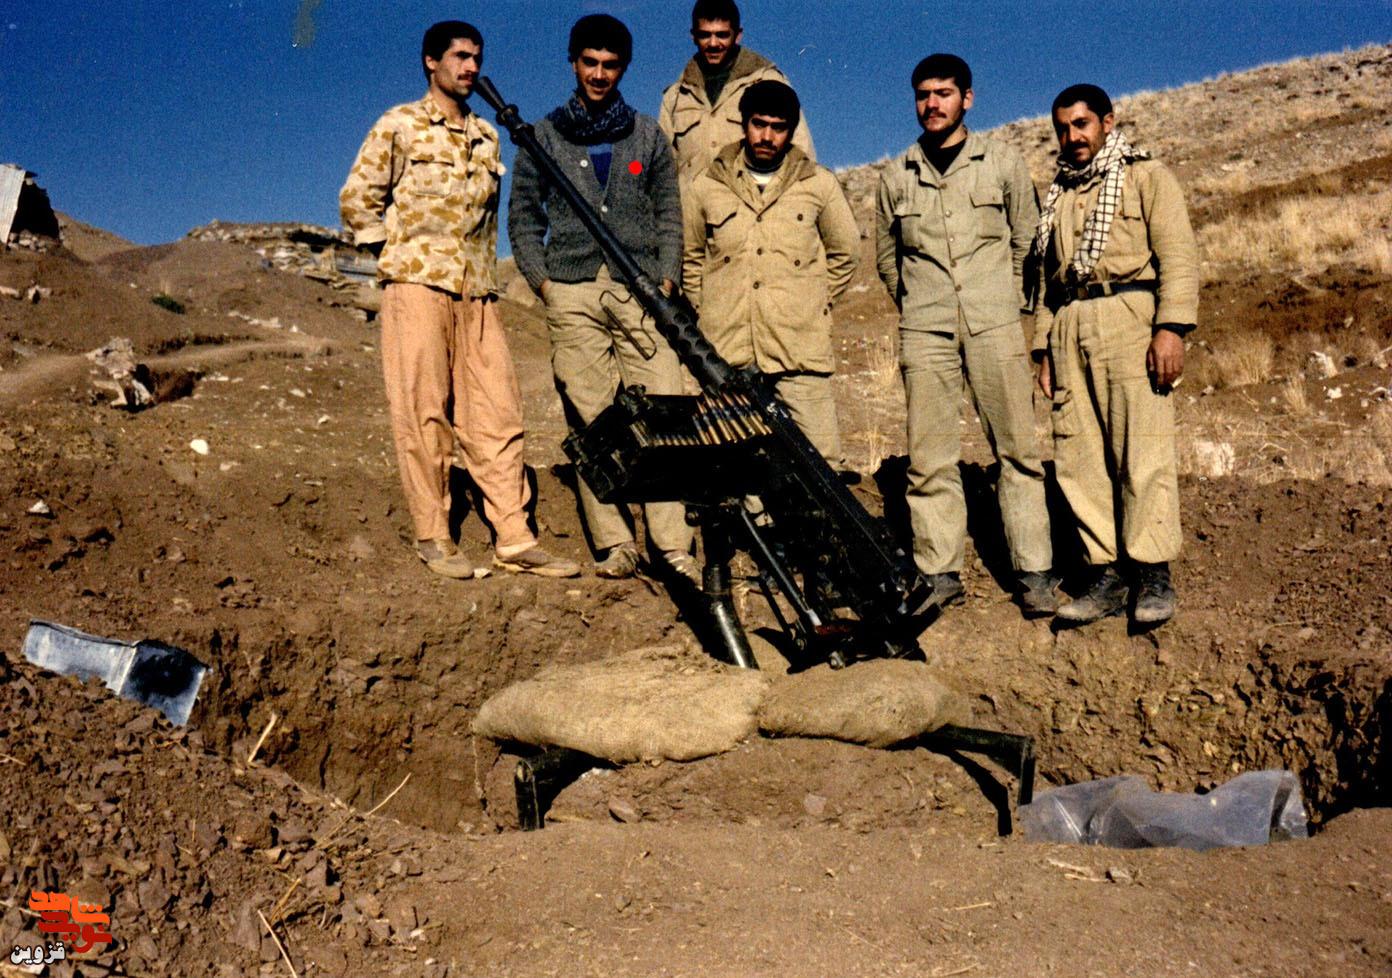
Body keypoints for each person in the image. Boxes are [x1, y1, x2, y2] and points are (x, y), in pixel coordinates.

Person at [339, 20, 579, 579]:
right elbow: (358, 199)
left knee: (498, 412)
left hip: (478, 292)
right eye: (460, 57)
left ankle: (514, 539)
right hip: (417, 286)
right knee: (423, 412)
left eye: (477, 57)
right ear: (432, 61)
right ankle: (434, 534)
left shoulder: (486, 136)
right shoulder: (400, 124)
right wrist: (394, 258)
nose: (471, 67)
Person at [507, 14, 697, 582]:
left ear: (624, 68)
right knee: (592, 418)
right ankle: (616, 543)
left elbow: (669, 212)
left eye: (609, 65)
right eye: (589, 62)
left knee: (664, 409)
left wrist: (666, 279)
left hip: (641, 291)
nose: (598, 74)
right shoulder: (542, 136)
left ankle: (673, 547)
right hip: (572, 290)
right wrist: (546, 284)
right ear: (573, 63)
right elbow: (523, 218)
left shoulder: (646, 135)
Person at [875, 53, 1058, 616]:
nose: (932, 104)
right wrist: (923, 305)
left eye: (944, 93)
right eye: (923, 94)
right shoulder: (896, 176)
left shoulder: (1000, 162)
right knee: (929, 456)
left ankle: (1034, 572)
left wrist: (1003, 302)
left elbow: (1028, 243)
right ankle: (939, 571)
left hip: (994, 325)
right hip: (925, 330)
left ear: (967, 99)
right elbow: (888, 261)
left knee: (1017, 449)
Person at [1031, 84, 1199, 626]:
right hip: (1070, 324)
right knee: (1078, 453)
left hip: (1130, 316)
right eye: (1063, 128)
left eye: (1081, 124)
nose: (1072, 136)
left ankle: (1152, 572)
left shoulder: (1146, 177)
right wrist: (1044, 347)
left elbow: (1178, 256)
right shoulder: (1058, 195)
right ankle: (1104, 572)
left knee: (1141, 447)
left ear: (1107, 121)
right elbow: (1049, 282)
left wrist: (1170, 329)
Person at [681, 80, 858, 465]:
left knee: (821, 466)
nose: (767, 136)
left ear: (791, 131)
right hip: (728, 355)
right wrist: (708, 310)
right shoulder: (706, 185)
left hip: (799, 353)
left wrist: (812, 303)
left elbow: (846, 253)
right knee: (736, 470)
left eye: (778, 127)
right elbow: (691, 259)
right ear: (744, 124)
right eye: (759, 124)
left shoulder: (818, 184)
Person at [659, 0, 814, 189]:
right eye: (705, 35)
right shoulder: (675, 97)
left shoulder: (768, 82)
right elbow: (661, 170)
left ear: (738, 35)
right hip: (691, 206)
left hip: (752, 204)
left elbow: (802, 156)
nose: (713, 43)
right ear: (693, 36)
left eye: (722, 35)